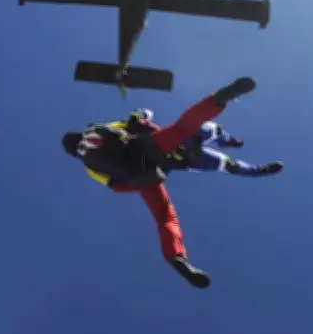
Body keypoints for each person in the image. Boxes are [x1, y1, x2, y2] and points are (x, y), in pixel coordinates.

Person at [61, 76, 260, 289]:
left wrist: (144, 181)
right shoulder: (98, 129)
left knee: (165, 217)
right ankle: (221, 98)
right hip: (146, 147)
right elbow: (136, 120)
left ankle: (177, 258)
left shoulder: (89, 166)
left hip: (140, 175)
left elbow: (115, 185)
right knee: (183, 128)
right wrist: (144, 117)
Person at [122, 108, 284, 177]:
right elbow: (158, 175)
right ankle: (258, 171)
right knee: (228, 164)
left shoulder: (133, 128)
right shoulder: (151, 164)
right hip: (187, 157)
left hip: (179, 140)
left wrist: (139, 115)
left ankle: (225, 140)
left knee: (212, 129)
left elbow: (146, 114)